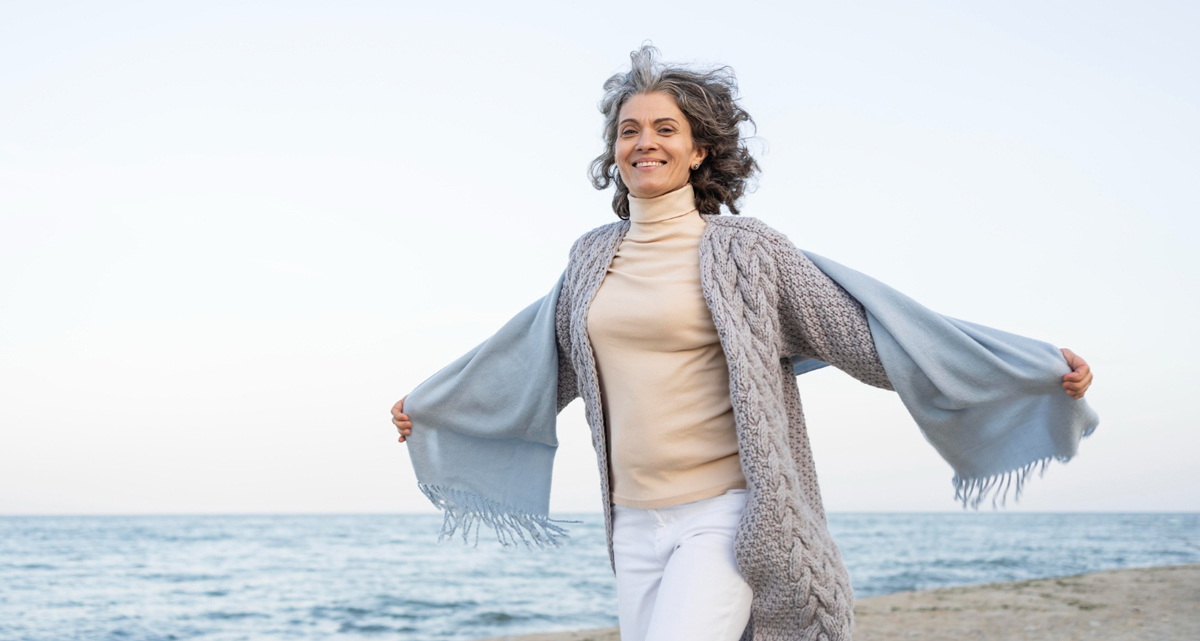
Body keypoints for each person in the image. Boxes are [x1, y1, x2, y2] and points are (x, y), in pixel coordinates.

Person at [390, 45, 1094, 641]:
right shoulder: (589, 258)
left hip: (726, 515)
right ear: (614, 151)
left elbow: (868, 334)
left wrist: (1027, 366)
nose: (645, 142)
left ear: (698, 150)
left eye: (666, 129)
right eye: (629, 129)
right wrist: (436, 407)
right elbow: (535, 361)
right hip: (631, 523)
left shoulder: (746, 252)